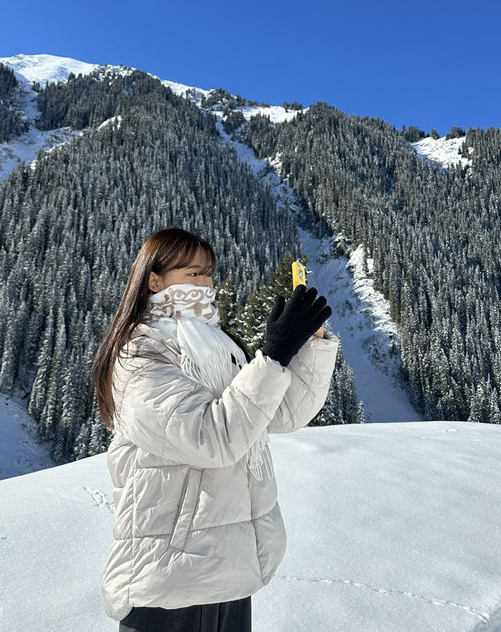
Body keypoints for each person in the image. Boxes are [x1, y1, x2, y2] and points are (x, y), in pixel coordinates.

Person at [92, 226, 339, 632]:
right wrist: (272, 357)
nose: (206, 284)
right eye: (193, 274)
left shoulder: (218, 348)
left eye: (209, 273)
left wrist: (305, 344)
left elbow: (281, 414)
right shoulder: (140, 354)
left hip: (227, 569)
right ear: (154, 279)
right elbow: (211, 438)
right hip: (169, 577)